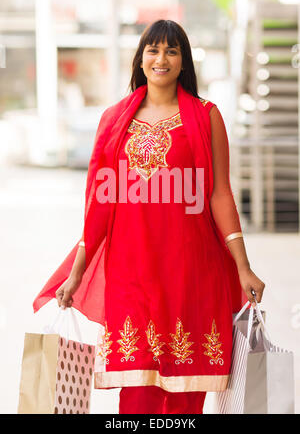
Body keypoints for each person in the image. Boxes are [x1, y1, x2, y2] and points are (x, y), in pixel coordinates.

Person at [33, 20, 265, 414]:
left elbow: (220, 194)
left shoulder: (207, 116)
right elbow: (99, 207)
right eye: (153, 50)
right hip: (131, 273)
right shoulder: (113, 122)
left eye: (172, 51)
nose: (161, 59)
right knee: (136, 392)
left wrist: (243, 267)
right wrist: (76, 273)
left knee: (186, 392)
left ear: (183, 61)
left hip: (191, 271)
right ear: (140, 59)